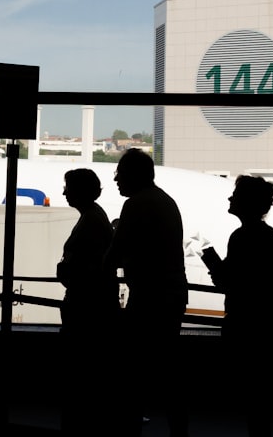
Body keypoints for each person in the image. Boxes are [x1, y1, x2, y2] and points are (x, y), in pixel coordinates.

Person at [104, 148, 188, 437]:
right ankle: (178, 428)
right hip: (171, 294)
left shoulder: (137, 205)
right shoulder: (165, 201)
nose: (116, 179)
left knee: (133, 369)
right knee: (166, 369)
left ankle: (129, 424)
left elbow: (113, 256)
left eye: (120, 173)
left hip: (150, 296)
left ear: (133, 176)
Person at [206, 175, 273, 437]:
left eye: (235, 196)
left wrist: (215, 265)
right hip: (265, 328)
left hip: (246, 326)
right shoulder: (267, 236)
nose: (230, 198)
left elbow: (229, 282)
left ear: (246, 203)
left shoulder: (242, 237)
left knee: (255, 403)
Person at [57, 168, 119, 437]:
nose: (64, 193)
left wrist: (65, 271)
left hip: (85, 311)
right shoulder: (96, 217)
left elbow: (87, 269)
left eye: (68, 188)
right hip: (92, 308)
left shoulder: (90, 222)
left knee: (82, 375)